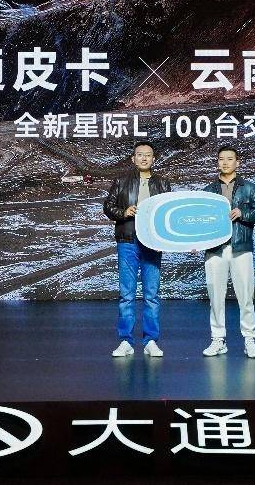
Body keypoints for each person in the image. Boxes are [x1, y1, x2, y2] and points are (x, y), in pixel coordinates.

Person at [103, 141, 171, 358]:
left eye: (148, 155)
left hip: (152, 243)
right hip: (127, 241)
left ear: (154, 159)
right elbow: (108, 206)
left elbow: (168, 213)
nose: (144, 158)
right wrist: (124, 212)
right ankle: (126, 341)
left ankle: (151, 340)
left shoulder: (162, 183)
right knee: (127, 294)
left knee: (151, 295)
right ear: (133, 158)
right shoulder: (121, 181)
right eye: (140, 155)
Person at [201, 145, 255, 359]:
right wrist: (195, 241)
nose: (225, 162)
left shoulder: (249, 188)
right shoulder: (208, 190)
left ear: (237, 162)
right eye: (221, 159)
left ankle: (249, 340)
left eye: (230, 159)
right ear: (217, 162)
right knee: (215, 297)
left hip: (241, 247)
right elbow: (200, 221)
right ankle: (218, 339)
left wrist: (242, 212)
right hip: (215, 249)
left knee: (245, 296)